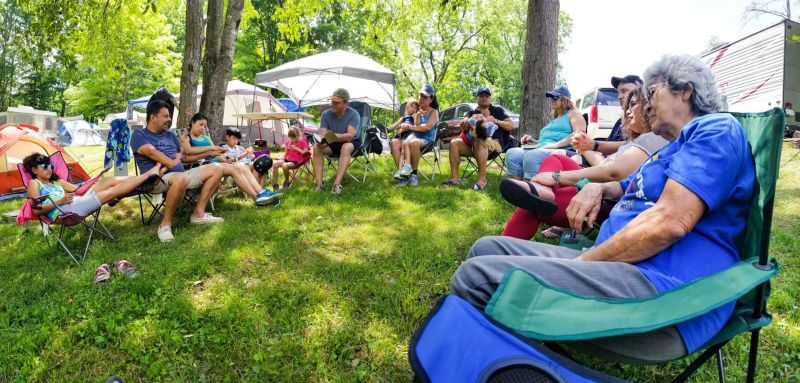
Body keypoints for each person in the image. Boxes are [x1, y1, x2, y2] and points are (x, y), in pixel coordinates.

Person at [450, 54, 755, 363]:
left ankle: (495, 366)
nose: (646, 103)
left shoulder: (715, 129)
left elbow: (669, 222)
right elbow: (622, 184)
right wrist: (595, 187)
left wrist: (582, 263)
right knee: (486, 248)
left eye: (654, 91)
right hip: (621, 267)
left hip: (668, 296)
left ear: (685, 90)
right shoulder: (670, 150)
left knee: (477, 278)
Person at [499, 85, 668, 240]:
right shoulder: (636, 142)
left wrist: (557, 176)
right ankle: (542, 191)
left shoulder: (654, 138)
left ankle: (499, 252)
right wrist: (585, 147)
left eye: (633, 104)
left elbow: (613, 173)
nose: (628, 111)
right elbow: (603, 165)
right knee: (556, 159)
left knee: (532, 205)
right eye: (627, 106)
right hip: (593, 184)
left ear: (649, 107)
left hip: (603, 199)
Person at [131, 101, 225, 243]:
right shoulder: (139, 135)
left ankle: (198, 214)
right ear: (152, 117)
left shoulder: (170, 136)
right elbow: (151, 152)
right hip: (157, 179)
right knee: (181, 178)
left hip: (180, 176)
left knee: (217, 168)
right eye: (165, 116)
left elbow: (185, 158)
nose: (169, 119)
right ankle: (165, 224)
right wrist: (171, 163)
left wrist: (209, 153)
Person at [23, 153, 160, 222]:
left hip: (76, 200)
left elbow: (78, 190)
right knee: (113, 191)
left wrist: (93, 182)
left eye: (51, 166)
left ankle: (149, 179)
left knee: (107, 180)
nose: (49, 169)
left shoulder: (56, 181)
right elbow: (37, 211)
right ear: (34, 170)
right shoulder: (34, 184)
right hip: (65, 211)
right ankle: (149, 176)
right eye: (45, 167)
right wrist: (60, 201)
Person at [179, 114, 281, 206]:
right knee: (238, 168)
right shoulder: (187, 137)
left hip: (218, 163)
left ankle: (261, 193)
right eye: (200, 124)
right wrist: (212, 148)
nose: (202, 128)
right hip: (207, 165)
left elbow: (215, 153)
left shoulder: (206, 137)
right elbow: (189, 151)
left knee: (243, 166)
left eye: (204, 126)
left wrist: (222, 156)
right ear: (192, 122)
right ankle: (258, 197)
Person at [504, 85, 586, 181]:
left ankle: (533, 191)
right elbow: (547, 142)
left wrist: (555, 145)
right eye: (551, 98)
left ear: (565, 99)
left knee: (532, 156)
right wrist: (533, 140)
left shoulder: (573, 113)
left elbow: (579, 133)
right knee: (512, 153)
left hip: (563, 151)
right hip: (542, 149)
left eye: (555, 97)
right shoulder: (554, 119)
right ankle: (518, 188)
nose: (552, 100)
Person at [444, 86, 514, 190]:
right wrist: (466, 122)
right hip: (472, 145)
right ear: (477, 98)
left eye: (486, 96)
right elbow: (462, 127)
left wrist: (496, 120)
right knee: (454, 142)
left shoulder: (498, 110)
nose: (484, 98)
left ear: (490, 98)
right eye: (481, 96)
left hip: (495, 144)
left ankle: (482, 179)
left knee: (480, 140)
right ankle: (454, 179)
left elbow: (511, 126)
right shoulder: (471, 113)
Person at [571, 75, 643, 166]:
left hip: (611, 167)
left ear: (640, 90)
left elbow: (633, 144)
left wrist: (592, 145)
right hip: (603, 161)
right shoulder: (619, 122)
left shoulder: (646, 124)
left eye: (624, 91)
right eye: (618, 92)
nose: (619, 97)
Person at [311, 88, 361, 194]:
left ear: (345, 103)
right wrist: (321, 142)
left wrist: (334, 135)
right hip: (332, 142)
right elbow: (323, 134)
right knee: (317, 148)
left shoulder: (354, 114)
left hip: (350, 143)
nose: (332, 104)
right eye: (332, 101)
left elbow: (349, 136)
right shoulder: (325, 114)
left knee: (346, 147)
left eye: (336, 102)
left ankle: (337, 184)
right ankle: (319, 184)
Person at [394, 85, 439, 187]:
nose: (421, 99)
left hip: (426, 139)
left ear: (431, 99)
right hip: (411, 136)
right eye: (421, 96)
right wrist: (403, 126)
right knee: (394, 143)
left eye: (425, 97)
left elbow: (426, 127)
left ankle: (413, 175)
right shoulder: (415, 110)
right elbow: (405, 121)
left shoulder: (433, 112)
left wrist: (410, 127)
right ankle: (403, 174)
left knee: (413, 142)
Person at [271, 125, 311, 190]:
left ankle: (287, 182)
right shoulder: (290, 143)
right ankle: (275, 184)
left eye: (293, 138)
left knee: (284, 165)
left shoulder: (302, 142)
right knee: (275, 164)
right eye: (290, 138)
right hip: (288, 159)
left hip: (297, 161)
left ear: (298, 136)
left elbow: (305, 152)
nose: (292, 140)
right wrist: (284, 154)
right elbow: (286, 154)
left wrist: (295, 148)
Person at [389, 98, 421, 180]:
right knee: (402, 151)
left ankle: (406, 168)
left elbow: (415, 125)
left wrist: (403, 129)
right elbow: (394, 125)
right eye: (412, 106)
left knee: (403, 151)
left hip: (411, 136)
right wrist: (387, 129)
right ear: (407, 107)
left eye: (415, 108)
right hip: (403, 137)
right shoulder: (403, 117)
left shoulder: (414, 116)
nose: (414, 109)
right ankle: (400, 171)